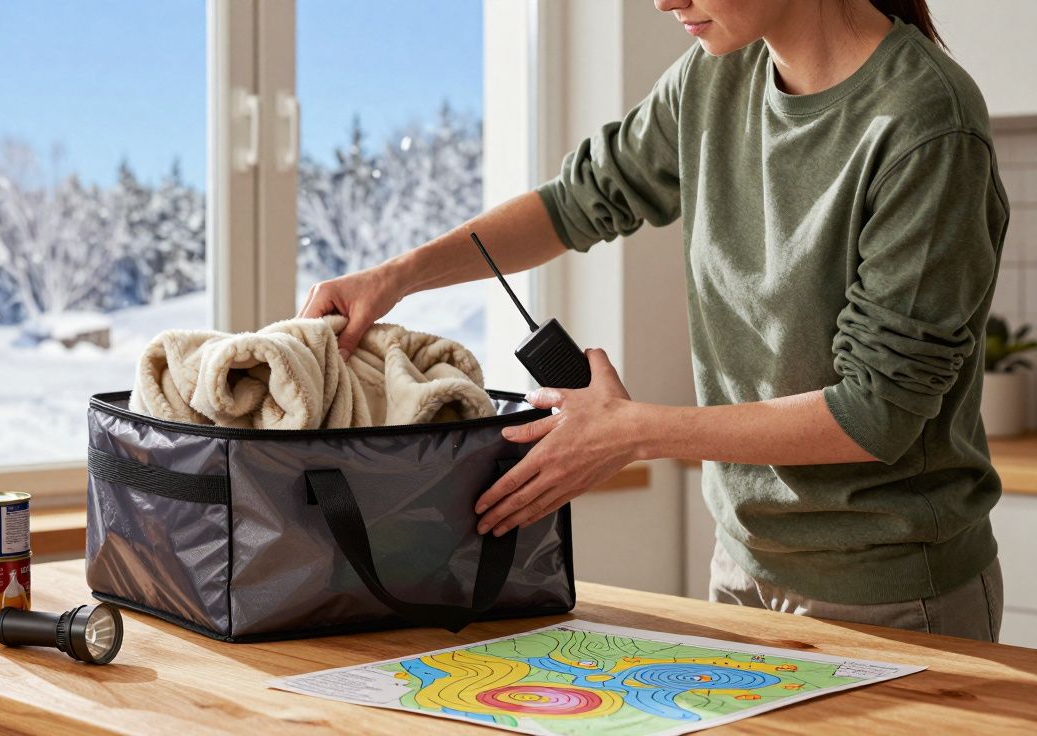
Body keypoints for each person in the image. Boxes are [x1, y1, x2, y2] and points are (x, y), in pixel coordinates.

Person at [298, 0, 1009, 642]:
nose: (666, 2)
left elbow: (877, 413)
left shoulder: (926, 123)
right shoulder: (713, 76)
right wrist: (396, 277)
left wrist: (632, 431)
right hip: (741, 566)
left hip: (893, 592)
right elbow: (572, 203)